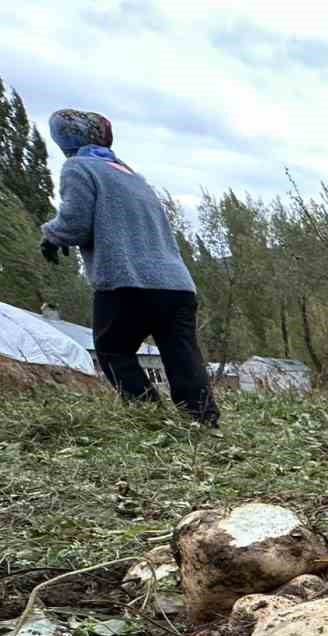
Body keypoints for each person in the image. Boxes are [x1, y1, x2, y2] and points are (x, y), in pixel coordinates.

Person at [39, 109, 218, 427]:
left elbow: (75, 224)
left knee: (113, 350)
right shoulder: (130, 174)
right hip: (176, 284)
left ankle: (151, 417)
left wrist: (51, 236)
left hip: (127, 280)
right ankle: (203, 421)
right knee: (182, 356)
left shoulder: (78, 167)